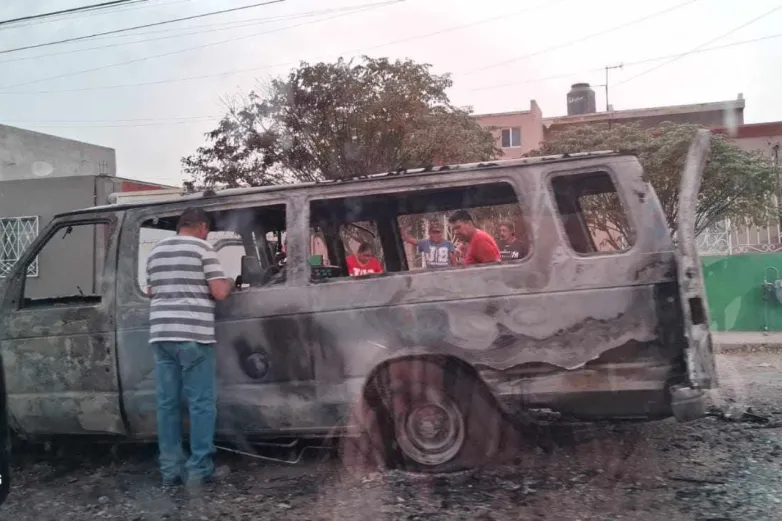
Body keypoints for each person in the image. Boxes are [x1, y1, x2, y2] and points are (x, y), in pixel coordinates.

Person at [145, 207, 235, 487]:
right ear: (203, 227)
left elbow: (151, 290)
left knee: (167, 404)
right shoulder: (203, 249)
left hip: (161, 334)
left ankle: (170, 470)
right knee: (201, 404)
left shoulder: (156, 251)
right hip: (193, 335)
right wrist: (230, 280)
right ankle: (199, 469)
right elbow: (219, 292)